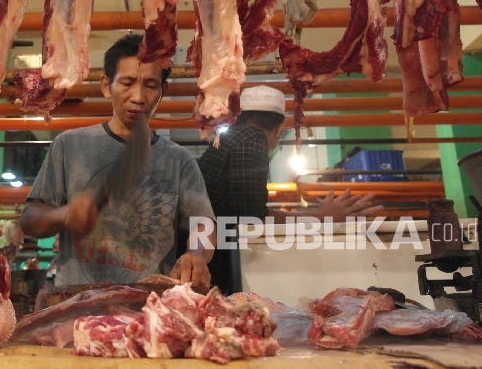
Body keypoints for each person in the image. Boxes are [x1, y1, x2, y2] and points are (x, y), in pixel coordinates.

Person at [20, 34, 217, 288]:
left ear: (162, 91)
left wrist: (197, 255)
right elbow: (30, 219)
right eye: (127, 83)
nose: (138, 96)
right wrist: (64, 214)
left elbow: (203, 222)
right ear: (106, 85)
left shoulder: (179, 160)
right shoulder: (71, 146)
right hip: (79, 307)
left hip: (151, 311)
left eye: (150, 85)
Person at [197, 85, 383, 294]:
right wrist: (320, 217)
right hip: (215, 266)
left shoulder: (229, 138)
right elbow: (251, 218)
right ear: (280, 129)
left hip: (207, 260)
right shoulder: (252, 137)